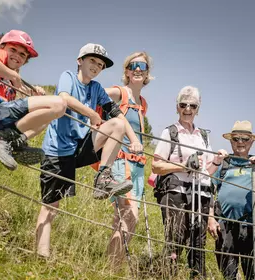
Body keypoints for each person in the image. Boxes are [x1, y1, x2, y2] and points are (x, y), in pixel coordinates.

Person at [36, 43, 144, 257]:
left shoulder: (96, 88)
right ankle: (41, 257)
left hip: (81, 146)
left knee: (117, 124)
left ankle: (104, 177)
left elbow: (116, 113)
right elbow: (65, 98)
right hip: (58, 150)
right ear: (80, 61)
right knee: (51, 206)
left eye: (101, 64)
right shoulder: (68, 76)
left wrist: (133, 140)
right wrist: (93, 115)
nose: (96, 66)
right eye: (92, 61)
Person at [150, 86, 224, 278]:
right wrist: (183, 166)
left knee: (197, 244)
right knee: (175, 239)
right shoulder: (170, 132)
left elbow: (205, 173)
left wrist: (216, 162)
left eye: (193, 105)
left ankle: (197, 276)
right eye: (183, 105)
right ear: (177, 107)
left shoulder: (204, 137)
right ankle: (168, 275)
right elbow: (156, 166)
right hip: (175, 193)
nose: (188, 109)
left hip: (201, 195)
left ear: (198, 109)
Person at [0, 30, 67, 170]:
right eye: (13, 49)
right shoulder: (0, 55)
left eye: (22, 54)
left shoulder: (11, 82)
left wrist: (34, 93)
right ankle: (6, 139)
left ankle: (13, 143)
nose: (17, 55)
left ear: (25, 60)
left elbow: (18, 104)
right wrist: (14, 77)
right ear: (3, 47)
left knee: (49, 113)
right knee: (59, 103)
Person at [105, 51, 154, 269]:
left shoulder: (143, 103)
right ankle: (113, 268)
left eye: (142, 66)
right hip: (121, 160)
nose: (137, 69)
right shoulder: (120, 92)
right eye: (133, 65)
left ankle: (112, 268)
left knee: (124, 220)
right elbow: (96, 93)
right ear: (126, 71)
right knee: (128, 215)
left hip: (138, 166)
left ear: (146, 74)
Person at [208, 120, 255, 280]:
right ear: (230, 141)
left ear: (251, 141)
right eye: (236, 139)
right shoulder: (225, 163)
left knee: (252, 273)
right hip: (225, 226)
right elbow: (208, 188)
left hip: (251, 226)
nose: (240, 142)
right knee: (228, 273)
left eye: (244, 139)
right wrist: (210, 218)